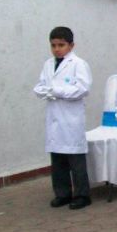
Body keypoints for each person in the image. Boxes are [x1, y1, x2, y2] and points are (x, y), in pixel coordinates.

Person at [33, 27, 92, 210]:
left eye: (61, 45)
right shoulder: (48, 64)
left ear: (71, 45)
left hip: (71, 118)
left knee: (75, 159)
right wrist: (46, 91)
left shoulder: (78, 64)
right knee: (57, 158)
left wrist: (57, 91)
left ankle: (82, 194)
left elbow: (83, 88)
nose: (57, 49)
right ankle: (62, 193)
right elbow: (42, 85)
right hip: (55, 116)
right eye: (53, 45)